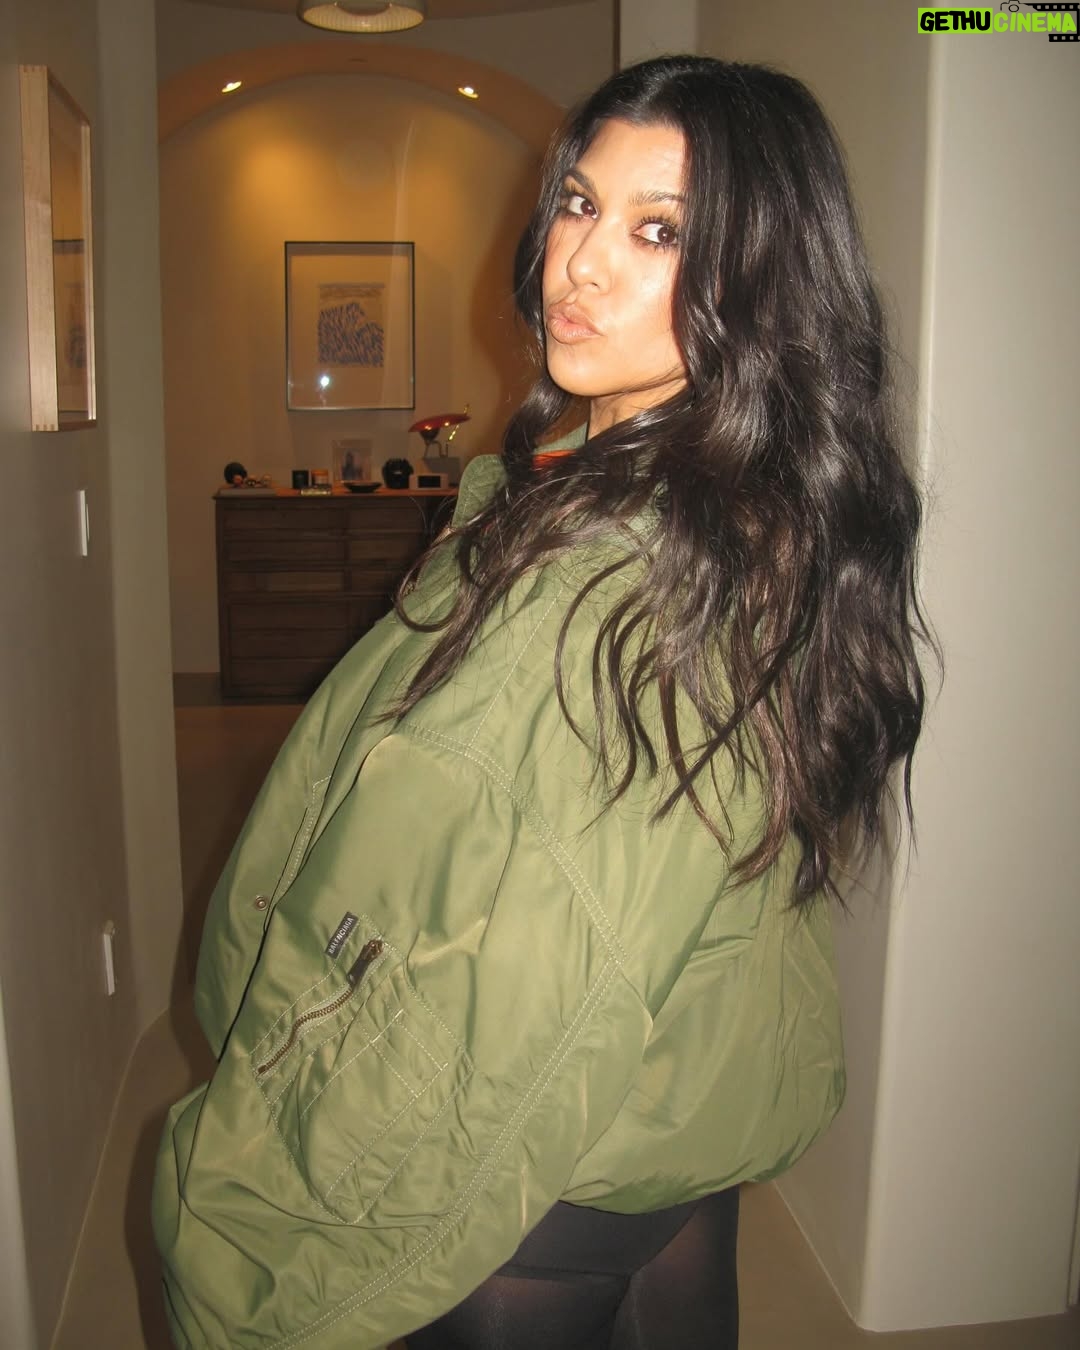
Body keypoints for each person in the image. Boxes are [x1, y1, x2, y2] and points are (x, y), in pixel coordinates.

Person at [153, 56, 931, 1350]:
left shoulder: (615, 582)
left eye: (658, 231)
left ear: (764, 279)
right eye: (579, 202)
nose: (581, 261)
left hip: (544, 1160)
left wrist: (285, 1190)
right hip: (678, 1086)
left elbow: (501, 991)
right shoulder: (766, 499)